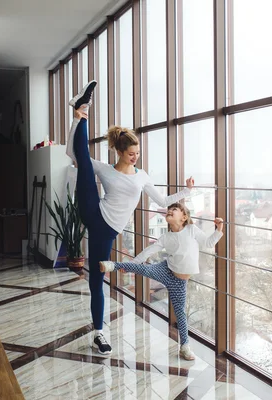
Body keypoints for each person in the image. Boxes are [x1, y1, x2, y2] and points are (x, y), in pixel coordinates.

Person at [66, 80, 195, 355]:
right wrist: (76, 125)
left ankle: (97, 334)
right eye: (132, 153)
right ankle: (81, 110)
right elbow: (72, 155)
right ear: (120, 152)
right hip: (93, 211)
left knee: (96, 279)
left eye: (138, 153)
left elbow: (161, 200)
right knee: (84, 160)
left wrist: (187, 191)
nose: (136, 157)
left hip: (107, 231)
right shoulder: (106, 169)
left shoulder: (142, 176)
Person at [99, 203, 224, 360]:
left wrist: (218, 229)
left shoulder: (192, 230)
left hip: (179, 282)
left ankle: (185, 347)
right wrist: (134, 264)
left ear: (184, 217)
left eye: (175, 210)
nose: (170, 211)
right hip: (166, 270)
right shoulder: (166, 237)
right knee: (145, 269)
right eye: (169, 210)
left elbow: (208, 243)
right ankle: (113, 265)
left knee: (180, 313)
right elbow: (149, 251)